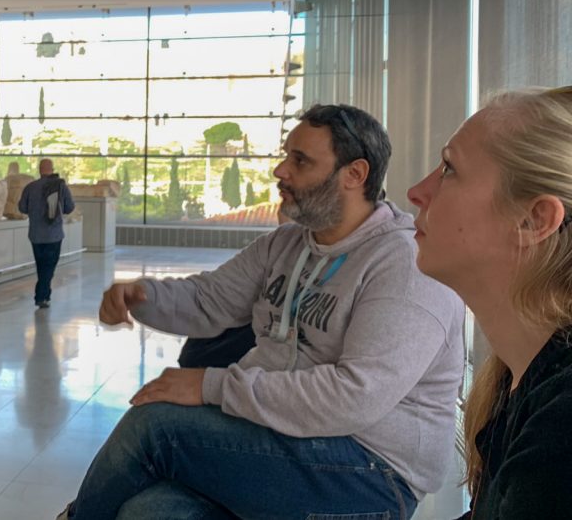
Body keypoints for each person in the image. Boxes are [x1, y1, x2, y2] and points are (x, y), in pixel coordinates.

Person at [59, 103, 465, 520]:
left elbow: (354, 396)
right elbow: (209, 300)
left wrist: (210, 386)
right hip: (281, 436)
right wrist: (142, 295)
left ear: (354, 175)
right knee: (148, 512)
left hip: (372, 472)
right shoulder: (288, 244)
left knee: (154, 425)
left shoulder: (405, 263)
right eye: (287, 156)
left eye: (300, 161)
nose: (280, 172)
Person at [406, 87, 572, 519]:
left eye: (448, 169)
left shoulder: (562, 432)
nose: (416, 191)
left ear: (533, 220)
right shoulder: (517, 381)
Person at [18, 158, 75, 309]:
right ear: (52, 169)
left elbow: (22, 208)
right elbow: (70, 207)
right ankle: (41, 296)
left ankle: (44, 295)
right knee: (49, 266)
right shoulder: (60, 186)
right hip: (54, 234)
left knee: (41, 265)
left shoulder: (30, 187)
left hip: (36, 234)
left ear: (39, 170)